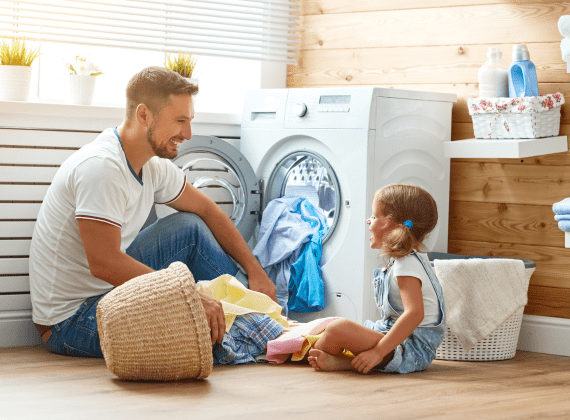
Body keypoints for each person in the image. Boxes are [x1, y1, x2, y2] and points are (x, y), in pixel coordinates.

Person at [28, 66, 276, 357]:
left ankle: (259, 312)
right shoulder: (102, 168)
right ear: (144, 115)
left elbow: (207, 210)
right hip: (71, 320)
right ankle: (261, 332)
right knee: (196, 333)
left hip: (106, 292)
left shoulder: (151, 165)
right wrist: (188, 298)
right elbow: (105, 264)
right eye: (180, 121)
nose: (188, 133)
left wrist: (255, 271)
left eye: (189, 121)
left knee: (189, 227)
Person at [307, 184, 446, 374]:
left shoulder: (407, 264)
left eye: (373, 216)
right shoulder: (405, 260)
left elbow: (415, 313)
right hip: (397, 340)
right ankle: (344, 363)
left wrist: (378, 352)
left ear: (393, 227)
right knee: (329, 326)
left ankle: (303, 354)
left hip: (412, 350)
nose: (368, 221)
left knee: (336, 329)